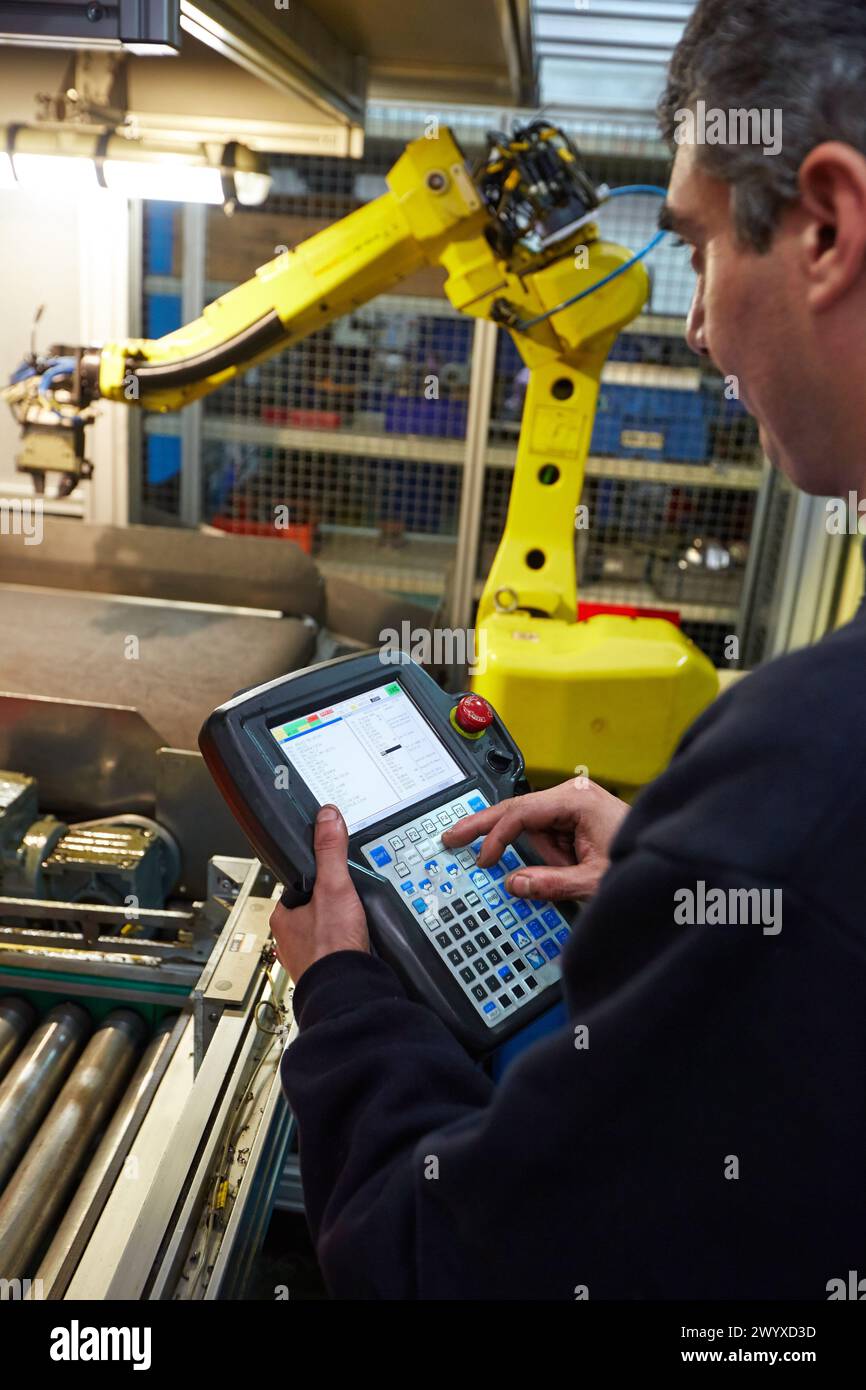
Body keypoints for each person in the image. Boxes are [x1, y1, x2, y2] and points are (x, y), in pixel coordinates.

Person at [272, 0, 866, 1298]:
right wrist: (679, 892)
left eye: (699, 246)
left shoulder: (806, 772)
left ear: (824, 226)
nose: (698, 325)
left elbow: (446, 1267)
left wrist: (345, 1005)